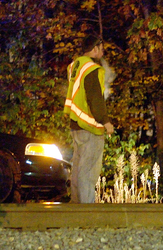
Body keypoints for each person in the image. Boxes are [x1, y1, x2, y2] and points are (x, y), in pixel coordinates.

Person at [64, 35, 115, 203]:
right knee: (88, 171)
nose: (102, 52)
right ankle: (87, 210)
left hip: (76, 123)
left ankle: (76, 205)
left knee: (78, 169)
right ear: (94, 49)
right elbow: (95, 98)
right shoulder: (91, 69)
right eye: (101, 49)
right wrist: (105, 121)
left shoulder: (75, 66)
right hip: (89, 126)